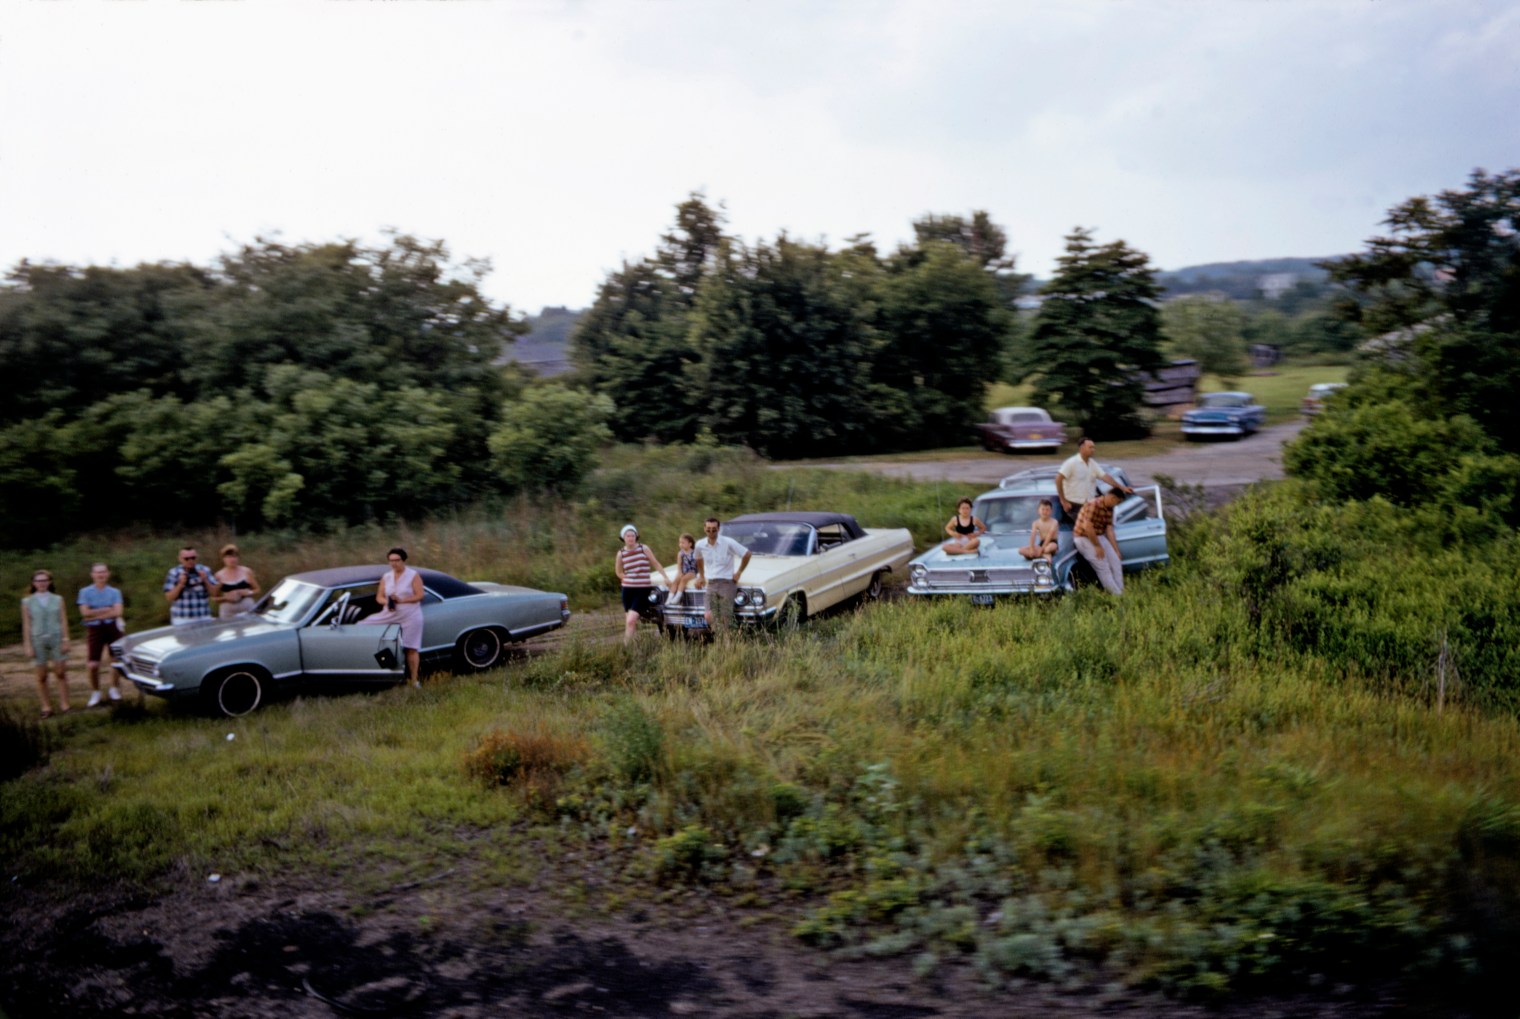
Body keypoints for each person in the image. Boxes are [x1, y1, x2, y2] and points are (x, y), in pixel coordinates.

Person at [360, 547, 425, 686]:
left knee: (411, 648)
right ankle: (384, 673)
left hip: (410, 615)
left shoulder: (413, 575)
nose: (394, 563)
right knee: (362, 625)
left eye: (397, 560)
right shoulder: (386, 576)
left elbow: (420, 595)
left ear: (404, 560)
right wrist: (388, 601)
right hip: (389, 613)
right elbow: (379, 597)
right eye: (391, 561)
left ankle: (414, 680)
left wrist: (402, 600)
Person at [23, 569, 71, 718]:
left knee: (60, 672)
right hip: (37, 638)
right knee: (41, 676)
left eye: (44, 580)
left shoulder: (58, 599)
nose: (41, 583)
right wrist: (28, 645)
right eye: (38, 581)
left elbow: (63, 620)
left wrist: (66, 639)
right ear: (33, 583)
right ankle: (46, 706)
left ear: (49, 582)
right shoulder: (27, 601)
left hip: (56, 637)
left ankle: (65, 704)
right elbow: (27, 624)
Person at [77, 562, 126, 707]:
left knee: (116, 661)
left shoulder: (114, 592)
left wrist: (94, 613)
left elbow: (118, 612)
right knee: (93, 664)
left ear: (108, 574)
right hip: (95, 630)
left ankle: (114, 689)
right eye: (98, 572)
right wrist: (106, 610)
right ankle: (95, 692)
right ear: (92, 575)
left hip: (113, 628)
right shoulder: (85, 592)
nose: (101, 575)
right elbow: (84, 613)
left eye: (103, 572)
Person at [1056, 439, 1134, 524]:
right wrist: (1063, 501)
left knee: (1091, 529)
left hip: (1088, 505)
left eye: (1094, 448)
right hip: (1074, 506)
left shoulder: (1092, 464)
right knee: (1087, 529)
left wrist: (1121, 487)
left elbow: (1105, 477)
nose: (1093, 450)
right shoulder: (1071, 463)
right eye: (1090, 447)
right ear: (1082, 448)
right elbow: (1058, 479)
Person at [696, 517, 751, 631]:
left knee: (725, 618)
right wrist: (701, 576)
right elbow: (698, 558)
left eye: (714, 529)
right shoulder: (700, 544)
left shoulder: (728, 542)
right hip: (710, 584)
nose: (711, 532)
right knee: (709, 615)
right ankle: (718, 638)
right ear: (704, 528)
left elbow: (747, 553)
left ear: (719, 529)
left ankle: (725, 644)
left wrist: (739, 572)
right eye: (708, 529)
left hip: (727, 583)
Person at [614, 524, 666, 641]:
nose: (631, 538)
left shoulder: (644, 548)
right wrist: (626, 578)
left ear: (636, 536)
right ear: (623, 538)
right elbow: (618, 572)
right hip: (627, 590)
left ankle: (625, 647)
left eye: (633, 535)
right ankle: (632, 649)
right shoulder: (621, 553)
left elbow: (656, 563)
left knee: (631, 619)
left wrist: (665, 577)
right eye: (628, 536)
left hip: (642, 589)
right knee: (629, 621)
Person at [1072, 489, 1124, 595]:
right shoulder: (1093, 505)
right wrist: (1097, 546)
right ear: (1112, 498)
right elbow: (1088, 527)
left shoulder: (1110, 508)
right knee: (1103, 566)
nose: (1117, 505)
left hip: (1098, 536)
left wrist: (1116, 550)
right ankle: (1117, 596)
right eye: (1118, 502)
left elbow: (1109, 530)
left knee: (1116, 561)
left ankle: (1121, 591)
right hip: (1083, 537)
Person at [163, 546, 220, 625]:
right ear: (180, 559)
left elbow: (215, 593)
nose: (190, 561)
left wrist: (205, 580)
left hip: (203, 616)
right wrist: (180, 584)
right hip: (182, 618)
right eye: (186, 559)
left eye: (193, 558)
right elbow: (169, 597)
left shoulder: (205, 570)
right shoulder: (174, 573)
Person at [214, 544, 262, 618]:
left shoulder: (247, 571)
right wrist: (226, 598)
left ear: (238, 558)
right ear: (223, 559)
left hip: (247, 610)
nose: (232, 560)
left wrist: (248, 592)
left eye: (234, 556)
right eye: (229, 557)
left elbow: (258, 589)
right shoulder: (218, 575)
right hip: (228, 613)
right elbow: (214, 598)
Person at [667, 533, 702, 605]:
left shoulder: (695, 552)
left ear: (690, 544)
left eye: (683, 543)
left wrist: (700, 574)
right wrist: (679, 573)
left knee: (683, 579)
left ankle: (677, 597)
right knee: (675, 581)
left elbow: (698, 564)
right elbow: (679, 564)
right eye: (680, 543)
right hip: (683, 571)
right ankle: (669, 598)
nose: (681, 544)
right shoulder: (680, 553)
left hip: (692, 571)